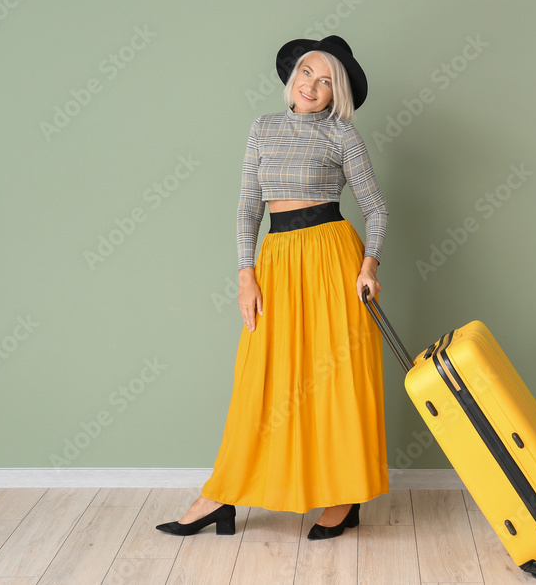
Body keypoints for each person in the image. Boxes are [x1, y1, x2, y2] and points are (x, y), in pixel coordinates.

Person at [156, 35, 389, 541]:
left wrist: (368, 266)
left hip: (332, 260)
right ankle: (219, 496)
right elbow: (247, 208)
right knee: (262, 383)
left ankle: (343, 498)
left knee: (336, 380)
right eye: (307, 72)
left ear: (336, 94)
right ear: (292, 77)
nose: (313, 85)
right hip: (277, 262)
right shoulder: (262, 129)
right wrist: (246, 275)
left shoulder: (343, 136)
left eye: (326, 81)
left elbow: (376, 208)